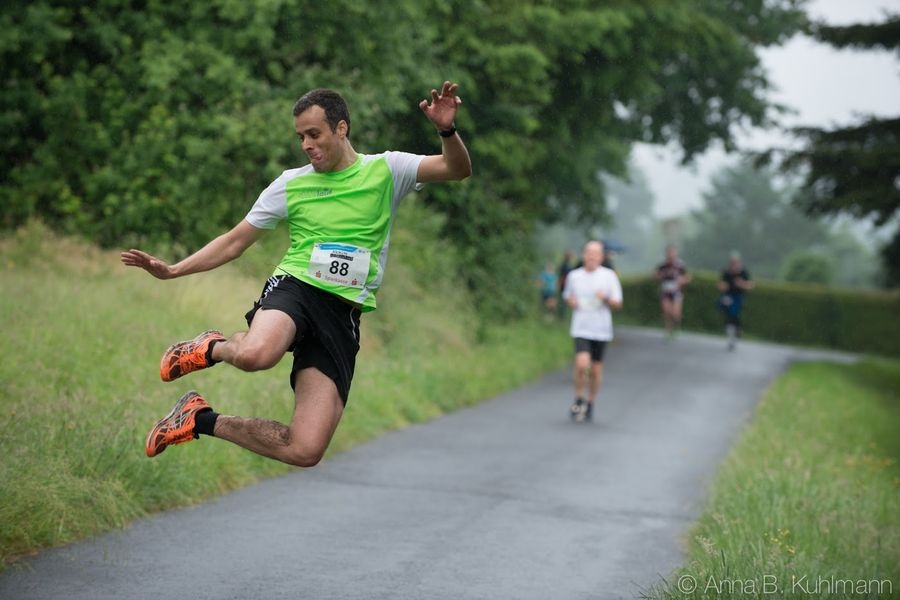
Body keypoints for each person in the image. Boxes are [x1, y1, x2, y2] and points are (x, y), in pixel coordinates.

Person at [121, 81, 472, 465]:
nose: (306, 144)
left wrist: (446, 131)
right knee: (256, 354)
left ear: (341, 128)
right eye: (301, 137)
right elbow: (235, 241)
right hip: (297, 288)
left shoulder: (387, 169)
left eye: (314, 134)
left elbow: (456, 169)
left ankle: (196, 419)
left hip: (342, 314)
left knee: (305, 449)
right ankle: (211, 348)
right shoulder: (292, 183)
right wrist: (173, 270)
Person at [562, 240, 623, 422]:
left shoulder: (609, 276)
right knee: (582, 364)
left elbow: (617, 303)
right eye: (589, 253)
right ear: (583, 255)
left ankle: (590, 402)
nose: (592, 257)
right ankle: (578, 398)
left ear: (601, 257)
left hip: (601, 329)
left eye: (596, 253)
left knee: (596, 370)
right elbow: (567, 296)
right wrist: (571, 302)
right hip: (581, 328)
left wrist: (605, 298)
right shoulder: (574, 276)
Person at [717, 251, 753, 351]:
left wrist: (742, 284)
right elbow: (720, 285)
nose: (734, 265)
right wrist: (723, 287)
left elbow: (750, 285)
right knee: (727, 313)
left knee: (734, 314)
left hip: (738, 297)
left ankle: (736, 330)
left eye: (735, 262)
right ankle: (733, 331)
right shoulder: (726, 272)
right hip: (727, 296)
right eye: (732, 263)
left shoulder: (743, 272)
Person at [654, 244, 690, 340]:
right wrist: (659, 276)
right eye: (669, 252)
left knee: (675, 313)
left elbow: (687, 277)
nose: (671, 254)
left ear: (676, 253)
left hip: (676, 291)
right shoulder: (662, 265)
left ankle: (676, 328)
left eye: (673, 252)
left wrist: (682, 280)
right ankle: (668, 331)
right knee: (667, 312)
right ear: (666, 254)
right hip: (665, 291)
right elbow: (655, 276)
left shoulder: (680, 265)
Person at [556, 250, 575, 318]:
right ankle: (561, 316)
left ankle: (561, 315)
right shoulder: (565, 265)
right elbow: (562, 276)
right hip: (564, 285)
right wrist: (559, 284)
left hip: (566, 285)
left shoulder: (566, 265)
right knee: (562, 301)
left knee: (563, 301)